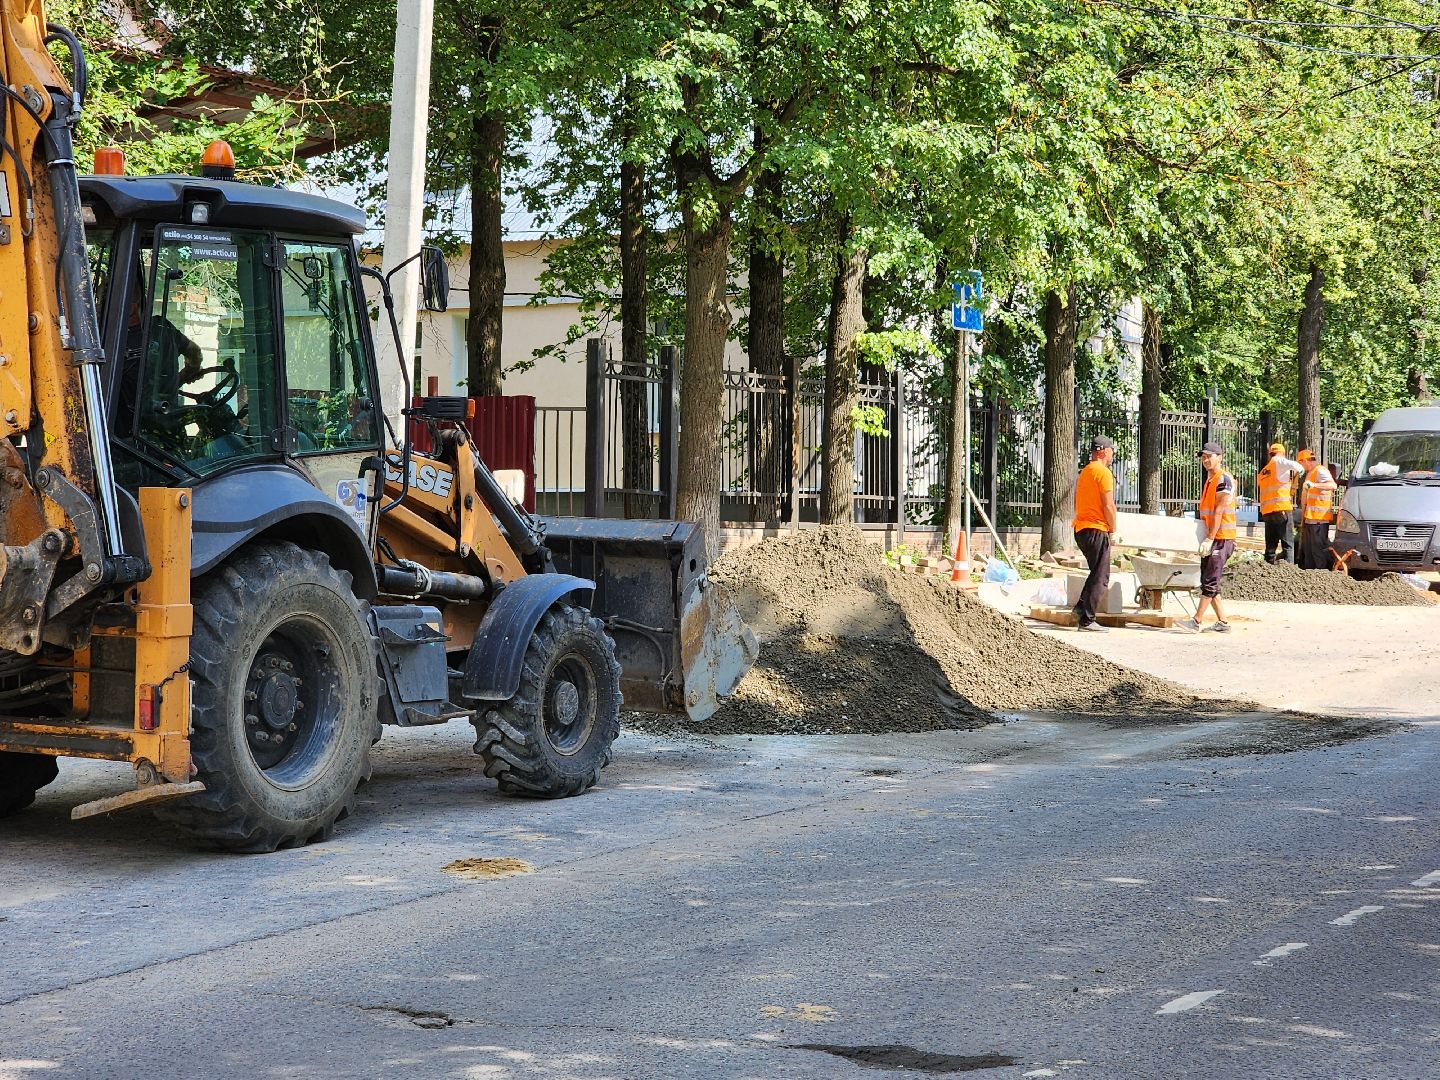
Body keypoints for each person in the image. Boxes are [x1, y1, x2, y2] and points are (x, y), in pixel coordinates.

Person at [1180, 441, 1236, 633]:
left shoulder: (1223, 480)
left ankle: (1196, 620)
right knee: (1209, 580)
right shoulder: (1211, 481)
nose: (1205, 460)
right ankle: (1223, 623)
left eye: (1209, 456)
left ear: (1219, 457)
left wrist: (1210, 538)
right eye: (1203, 457)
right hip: (1214, 537)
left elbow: (1219, 510)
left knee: (1210, 581)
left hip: (1221, 538)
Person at [1071, 435, 1118, 631]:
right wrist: (1113, 529)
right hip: (1097, 529)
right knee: (1101, 577)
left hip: (1081, 529)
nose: (1112, 455)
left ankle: (1080, 608)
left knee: (1095, 572)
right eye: (1112, 451)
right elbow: (1108, 505)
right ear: (1105, 451)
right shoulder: (1103, 473)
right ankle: (1087, 620)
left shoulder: (1086, 471)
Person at [1257, 441, 1304, 564]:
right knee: (1288, 545)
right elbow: (1298, 467)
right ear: (1282, 453)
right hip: (1281, 509)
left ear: (1270, 454)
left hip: (1267, 513)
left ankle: (1267, 568)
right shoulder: (1280, 461)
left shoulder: (1264, 471)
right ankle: (1288, 571)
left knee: (1270, 547)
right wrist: (1301, 473)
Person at [1296, 449, 1338, 569]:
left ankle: (1321, 574)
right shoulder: (1311, 473)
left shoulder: (1320, 470)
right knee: (1309, 552)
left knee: (1318, 551)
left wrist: (1314, 485)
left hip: (1319, 520)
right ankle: (1310, 574)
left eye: (1301, 463)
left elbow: (1333, 485)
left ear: (1305, 461)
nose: (1301, 466)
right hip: (1310, 519)